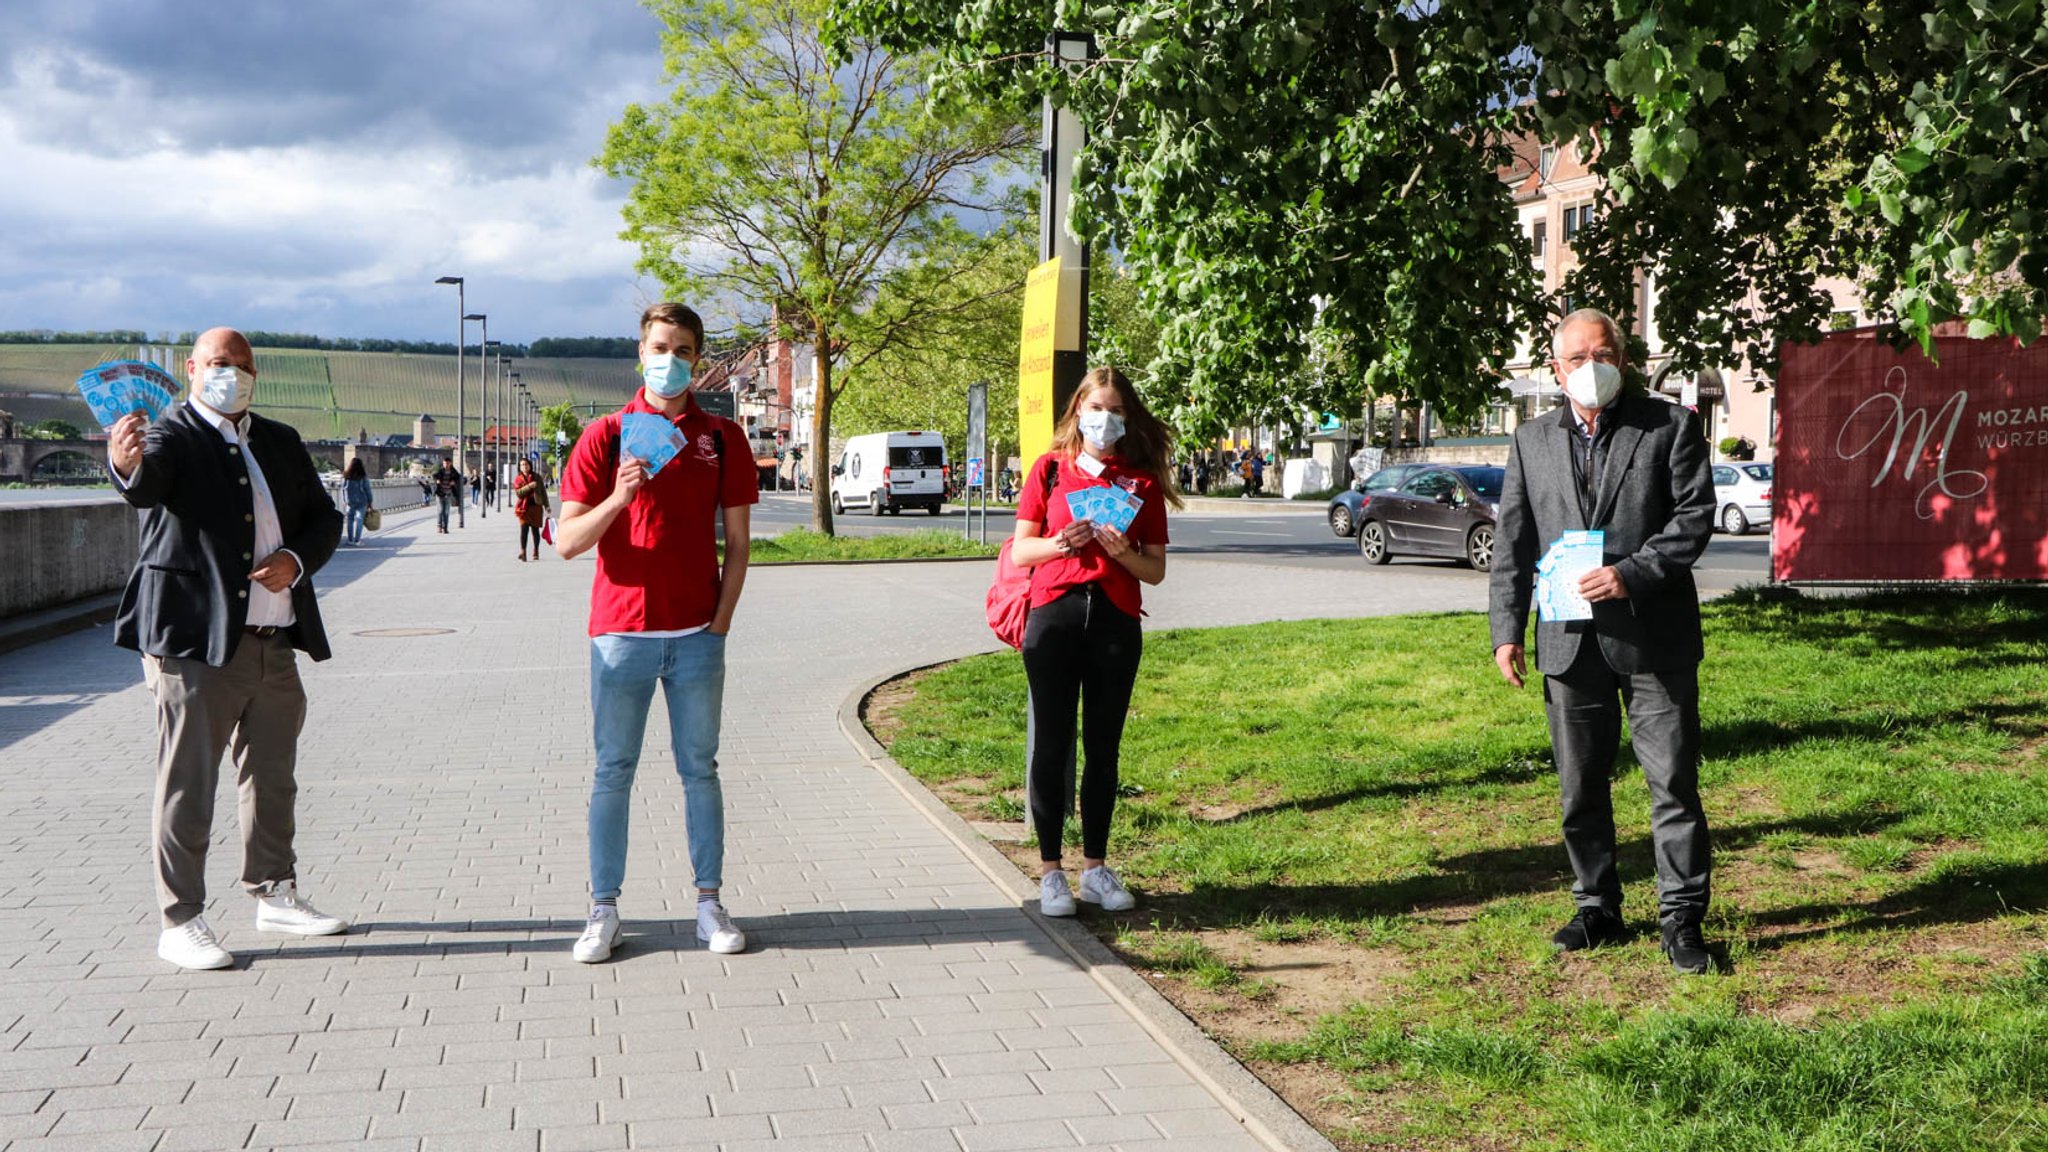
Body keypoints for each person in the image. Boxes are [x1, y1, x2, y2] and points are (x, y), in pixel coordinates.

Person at [104, 327, 351, 970]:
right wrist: (124, 463)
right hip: (194, 642)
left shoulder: (279, 441)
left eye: (242, 365)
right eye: (218, 363)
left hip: (274, 638)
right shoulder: (171, 435)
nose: (231, 374)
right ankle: (180, 918)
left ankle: (274, 891)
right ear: (192, 369)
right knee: (188, 784)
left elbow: (324, 520)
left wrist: (296, 560)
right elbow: (145, 483)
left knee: (273, 777)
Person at [1488, 307, 1718, 975]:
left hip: (1655, 641)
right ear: (1557, 371)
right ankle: (1597, 907)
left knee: (1671, 782)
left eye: (1605, 352)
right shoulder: (1531, 440)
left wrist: (1630, 575)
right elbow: (1513, 541)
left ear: (1624, 356)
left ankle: (1681, 917)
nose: (1594, 367)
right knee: (1579, 787)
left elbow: (1693, 520)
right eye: (1579, 358)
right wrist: (1506, 628)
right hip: (1566, 641)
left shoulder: (1670, 425)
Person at [554, 302, 758, 963]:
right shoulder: (606, 435)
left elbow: (739, 542)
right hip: (620, 635)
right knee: (613, 772)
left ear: (698, 362)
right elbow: (565, 542)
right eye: (659, 346)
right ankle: (603, 910)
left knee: (700, 770)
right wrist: (618, 497)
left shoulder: (721, 438)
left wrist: (719, 623)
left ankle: (708, 903)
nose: (669, 358)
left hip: (697, 635)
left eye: (683, 349)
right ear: (640, 354)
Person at [1010, 366, 1180, 918]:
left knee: (1103, 749)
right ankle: (1051, 872)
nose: (1105, 420)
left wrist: (1119, 551)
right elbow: (1020, 553)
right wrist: (1062, 543)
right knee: (1053, 745)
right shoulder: (1050, 471)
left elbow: (1153, 571)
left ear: (1127, 420)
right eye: (1097, 408)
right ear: (1078, 410)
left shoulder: (1141, 482)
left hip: (1114, 623)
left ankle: (1096, 870)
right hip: (1052, 620)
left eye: (1116, 411)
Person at [513, 457, 547, 561]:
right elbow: (518, 493)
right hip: (523, 508)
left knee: (535, 530)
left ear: (530, 465)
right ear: (519, 467)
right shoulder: (518, 479)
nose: (524, 466)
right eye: (522, 465)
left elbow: (543, 492)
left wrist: (547, 506)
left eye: (526, 464)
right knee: (524, 530)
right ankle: (523, 552)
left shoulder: (536, 477)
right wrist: (529, 486)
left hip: (536, 507)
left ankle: (536, 550)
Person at [342, 457, 372, 545]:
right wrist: (370, 501)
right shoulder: (362, 476)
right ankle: (357, 540)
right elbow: (367, 490)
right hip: (362, 501)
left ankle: (350, 540)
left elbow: (343, 489)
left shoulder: (346, 476)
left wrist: (344, 500)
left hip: (350, 501)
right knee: (359, 519)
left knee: (350, 520)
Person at [432, 458, 462, 533]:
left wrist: (454, 482)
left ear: (450, 463)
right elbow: (434, 476)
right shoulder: (440, 470)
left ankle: (445, 528)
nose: (446, 465)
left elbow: (459, 478)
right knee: (440, 510)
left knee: (446, 512)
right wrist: (437, 480)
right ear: (443, 463)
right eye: (445, 463)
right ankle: (439, 526)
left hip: (448, 493)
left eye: (447, 463)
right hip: (440, 494)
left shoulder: (453, 471)